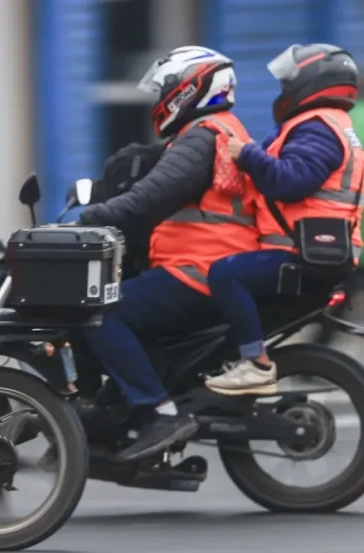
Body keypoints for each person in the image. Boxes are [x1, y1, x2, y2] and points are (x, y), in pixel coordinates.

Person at [75, 46, 260, 461]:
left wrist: (93, 216)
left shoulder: (201, 137)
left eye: (165, 88)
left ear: (189, 89)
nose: (159, 99)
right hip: (207, 267)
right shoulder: (220, 131)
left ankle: (159, 412)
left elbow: (149, 200)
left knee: (101, 312)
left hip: (200, 271)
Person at [205, 43, 364, 396]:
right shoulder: (329, 124)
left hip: (306, 252)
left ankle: (255, 364)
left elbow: (290, 181)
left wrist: (246, 154)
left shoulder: (318, 128)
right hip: (318, 248)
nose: (283, 90)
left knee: (225, 273)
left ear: (312, 81)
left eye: (287, 81)